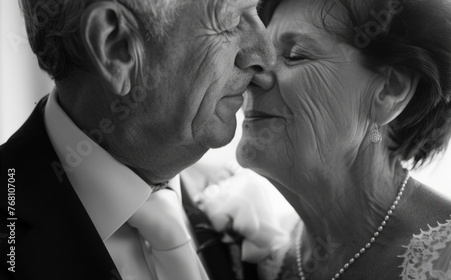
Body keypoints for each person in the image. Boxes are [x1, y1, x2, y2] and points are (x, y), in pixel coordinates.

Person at [0, 0, 275, 279]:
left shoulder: (249, 211)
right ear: (115, 47)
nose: (266, 55)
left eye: (255, 11)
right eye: (230, 21)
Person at [236, 0, 451, 279]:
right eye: (261, 57)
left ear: (389, 90)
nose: (252, 77)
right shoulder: (269, 257)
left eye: (295, 55)